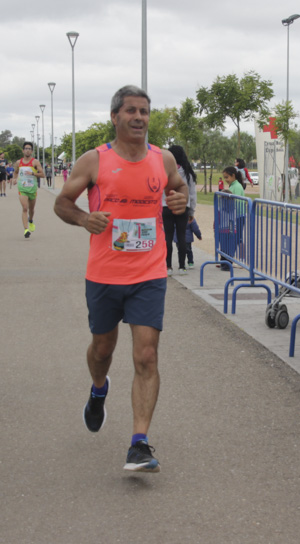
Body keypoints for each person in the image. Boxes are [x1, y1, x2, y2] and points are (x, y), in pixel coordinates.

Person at [54, 85, 188, 473]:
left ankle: (139, 443)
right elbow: (62, 202)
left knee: (146, 354)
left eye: (145, 111)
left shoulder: (162, 160)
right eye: (131, 111)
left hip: (149, 273)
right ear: (115, 117)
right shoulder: (94, 160)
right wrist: (83, 218)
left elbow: (178, 190)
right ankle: (99, 390)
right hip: (104, 274)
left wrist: (179, 201)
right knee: (102, 349)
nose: (139, 118)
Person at [164, 145, 197, 275]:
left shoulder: (164, 170)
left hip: (166, 205)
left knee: (168, 237)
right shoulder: (188, 172)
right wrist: (192, 211)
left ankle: (168, 267)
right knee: (182, 236)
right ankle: (182, 266)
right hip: (184, 206)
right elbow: (192, 193)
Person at [218, 166, 247, 270]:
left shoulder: (237, 187)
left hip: (238, 216)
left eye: (227, 177)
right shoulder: (232, 186)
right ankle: (228, 260)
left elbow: (235, 202)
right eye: (224, 177)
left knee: (238, 239)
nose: (225, 179)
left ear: (233, 176)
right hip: (233, 216)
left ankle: (242, 260)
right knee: (233, 238)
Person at [15, 142, 44, 238]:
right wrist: (14, 179)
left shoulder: (35, 162)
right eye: (26, 148)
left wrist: (33, 173)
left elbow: (42, 175)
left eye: (29, 148)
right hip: (22, 189)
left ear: (31, 151)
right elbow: (15, 172)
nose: (27, 150)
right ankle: (26, 229)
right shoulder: (19, 162)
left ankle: (31, 220)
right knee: (24, 208)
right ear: (23, 150)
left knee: (31, 209)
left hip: (32, 189)